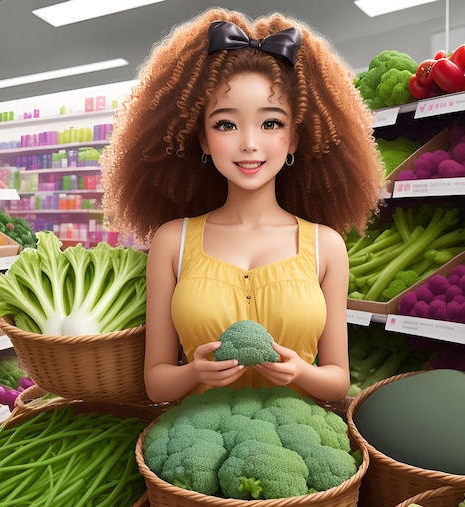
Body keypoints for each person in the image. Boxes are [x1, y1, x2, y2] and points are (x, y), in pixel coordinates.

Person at [101, 8, 385, 405]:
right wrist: (192, 373)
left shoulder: (327, 246)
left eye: (270, 123)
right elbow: (156, 383)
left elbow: (338, 381)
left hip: (294, 437)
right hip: (196, 440)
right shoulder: (173, 241)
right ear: (201, 139)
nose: (248, 143)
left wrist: (301, 372)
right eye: (226, 125)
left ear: (294, 138)